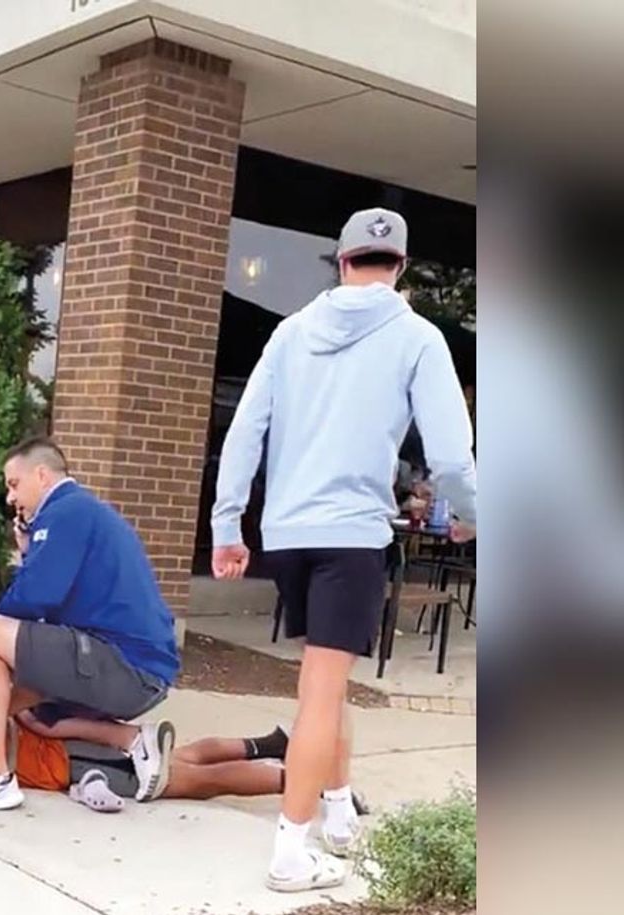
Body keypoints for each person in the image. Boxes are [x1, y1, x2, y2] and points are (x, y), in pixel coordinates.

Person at [211, 208, 477, 893]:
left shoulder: (289, 332)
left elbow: (245, 432)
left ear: (341, 260)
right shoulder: (417, 337)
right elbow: (449, 452)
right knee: (322, 691)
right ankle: (291, 852)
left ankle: (336, 811)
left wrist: (227, 524)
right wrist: (474, 516)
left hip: (291, 534)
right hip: (352, 534)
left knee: (327, 679)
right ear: (402, 269)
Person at [0, 437, 181, 811]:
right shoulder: (84, 513)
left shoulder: (66, 511)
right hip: (134, 669)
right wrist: (32, 553)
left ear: (42, 475)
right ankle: (133, 741)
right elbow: (51, 605)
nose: (10, 498)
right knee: (30, 702)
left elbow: (36, 595)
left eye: (14, 484)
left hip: (126, 668)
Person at [0, 661, 289, 804]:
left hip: (71, 759)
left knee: (200, 783)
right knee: (182, 759)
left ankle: (302, 781)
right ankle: (268, 746)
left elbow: (15, 690)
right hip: (68, 765)